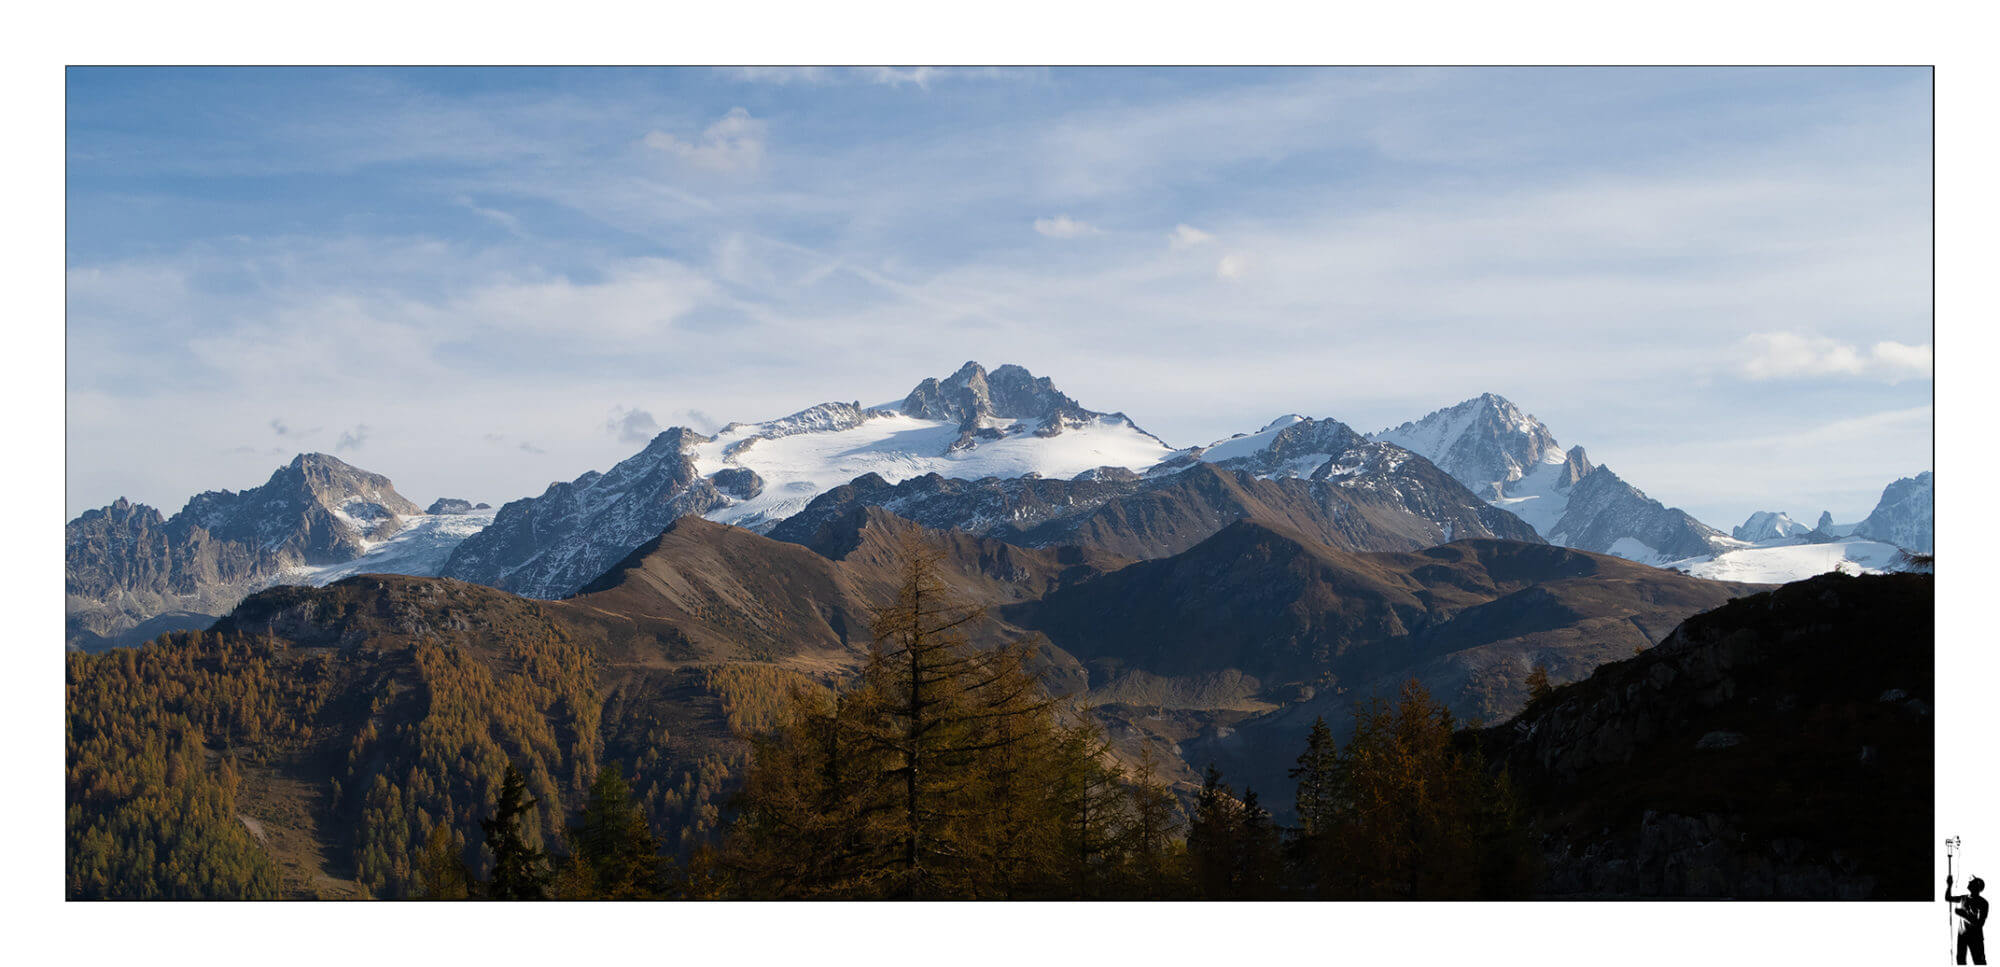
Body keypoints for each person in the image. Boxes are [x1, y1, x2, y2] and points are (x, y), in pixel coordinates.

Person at [1948, 875, 1990, 965]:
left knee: (1979, 962)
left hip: (1975, 938)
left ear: (1977, 887)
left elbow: (1979, 924)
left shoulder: (1983, 903)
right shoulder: (1963, 898)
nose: (1969, 882)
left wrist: (1963, 915)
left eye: (1972, 882)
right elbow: (1948, 898)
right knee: (1961, 961)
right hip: (1962, 936)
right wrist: (1949, 885)